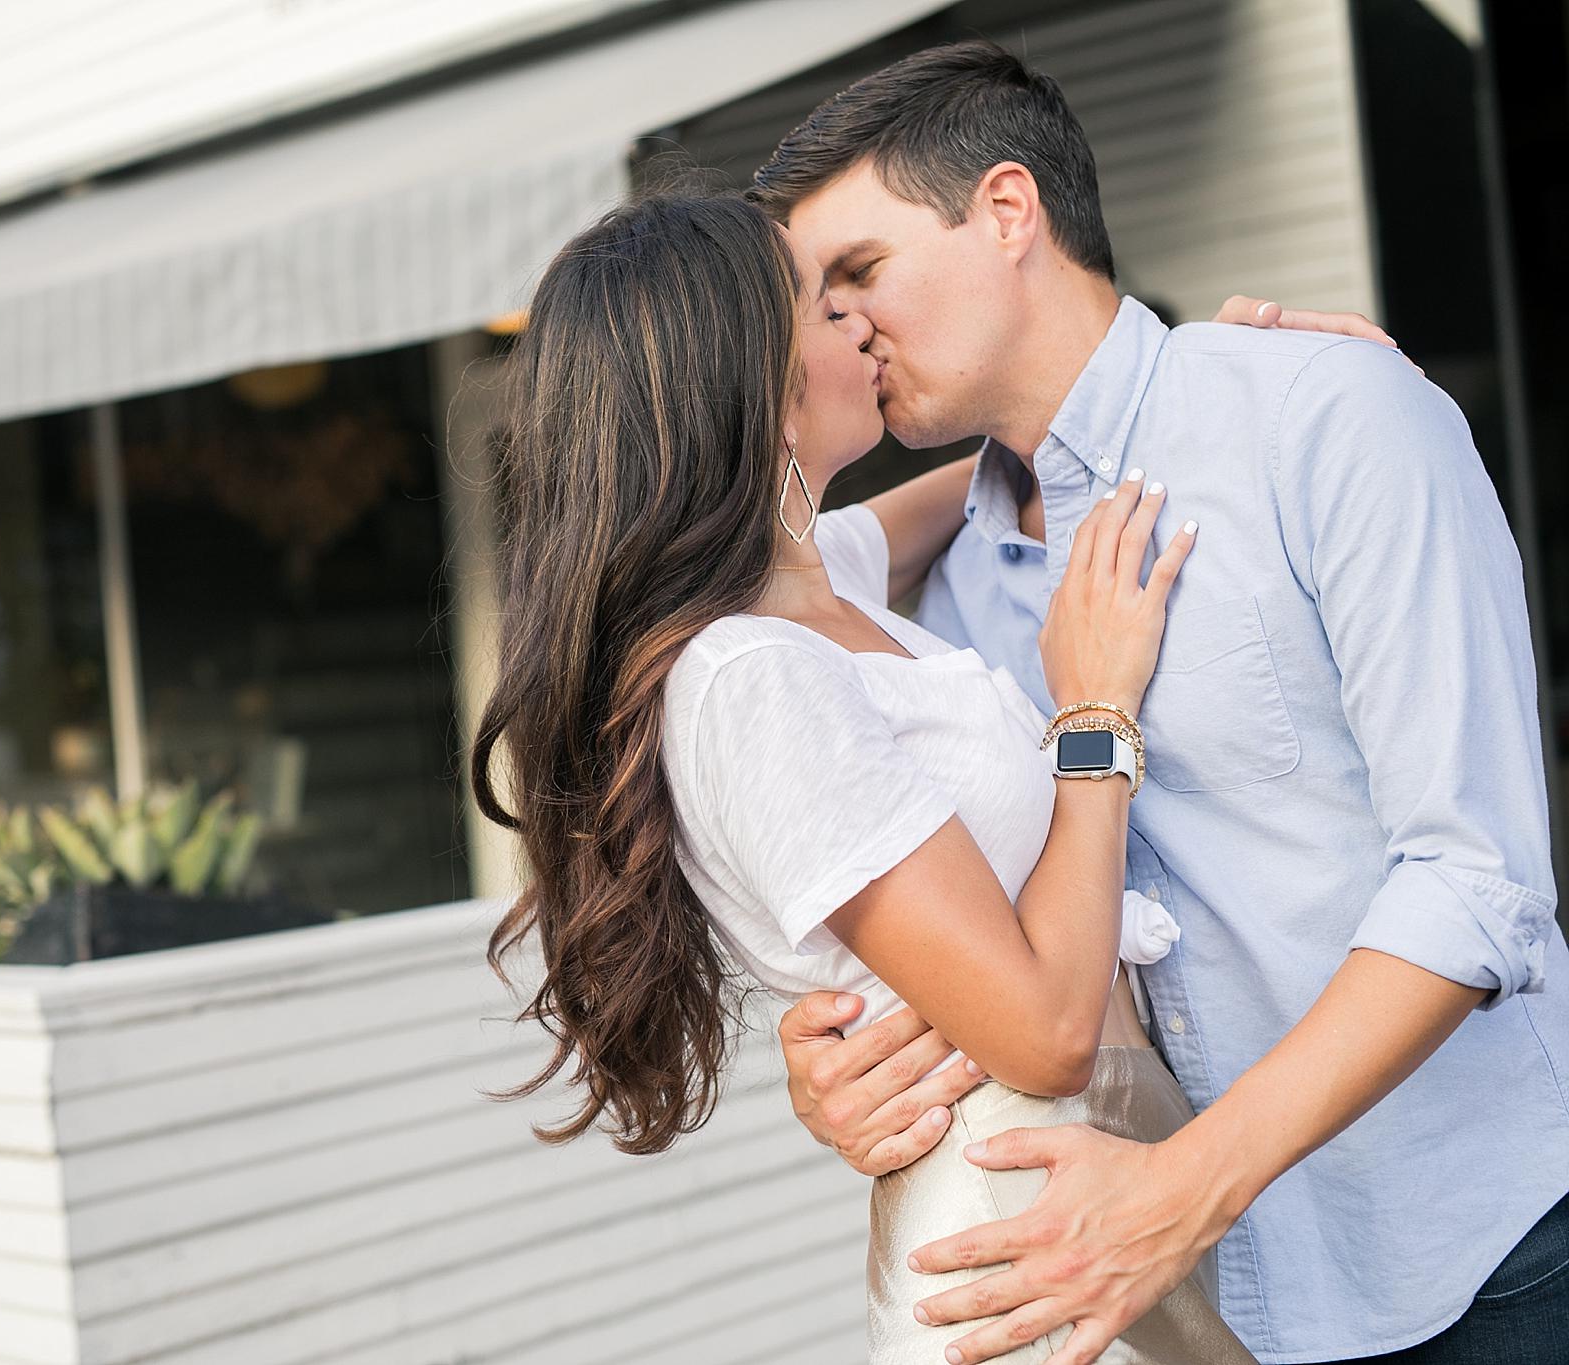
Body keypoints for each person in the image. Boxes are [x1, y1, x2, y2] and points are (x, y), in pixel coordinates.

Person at [469, 179, 1397, 1360]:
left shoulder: (820, 586)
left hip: (1088, 1178)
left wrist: (1210, 386)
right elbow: (1048, 1030)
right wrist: (1094, 711)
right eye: (818, 306)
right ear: (746, 382)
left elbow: (999, 469)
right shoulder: (751, 678)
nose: (858, 324)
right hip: (1011, 1222)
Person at [753, 40, 1569, 1365]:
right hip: (1226, 1321)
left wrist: (1186, 1188)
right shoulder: (934, 610)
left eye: (861, 273)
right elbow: (1006, 953)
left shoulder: (1324, 417)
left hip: (1497, 1260)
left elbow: (1476, 881)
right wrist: (841, 1063)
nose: (843, 330)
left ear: (1008, 212)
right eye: (821, 303)